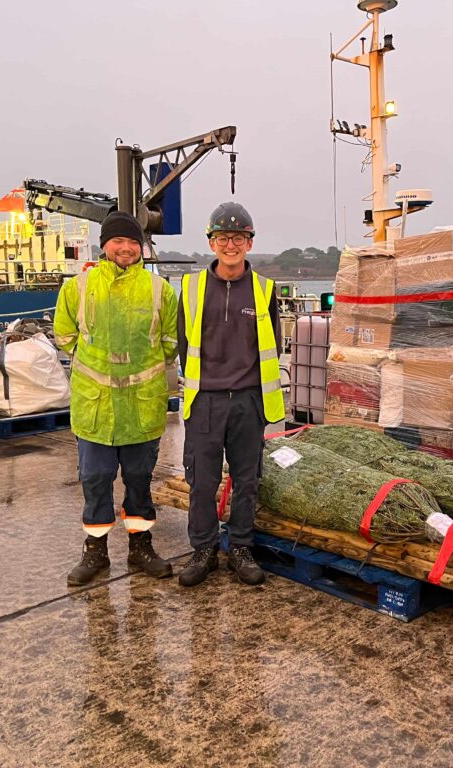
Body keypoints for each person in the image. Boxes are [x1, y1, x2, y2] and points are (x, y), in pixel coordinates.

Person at [54, 211, 179, 586]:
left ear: (140, 247)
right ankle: (95, 552)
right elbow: (64, 334)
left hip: (142, 405)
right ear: (104, 245)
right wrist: (95, 369)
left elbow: (171, 343)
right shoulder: (77, 287)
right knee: (95, 479)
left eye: (131, 242)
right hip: (96, 407)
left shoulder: (160, 290)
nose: (125, 248)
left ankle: (141, 547)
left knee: (140, 479)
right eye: (117, 241)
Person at [176, 202, 285, 587]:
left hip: (248, 401)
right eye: (223, 237)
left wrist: (254, 396)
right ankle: (203, 550)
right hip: (204, 401)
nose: (231, 244)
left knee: (246, 479)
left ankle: (240, 547)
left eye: (239, 237)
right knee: (202, 482)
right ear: (211, 242)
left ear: (250, 243)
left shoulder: (264, 290)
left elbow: (272, 344)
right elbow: (182, 342)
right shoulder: (190, 288)